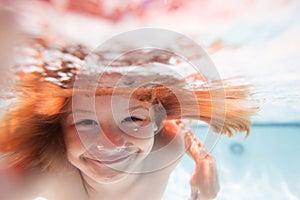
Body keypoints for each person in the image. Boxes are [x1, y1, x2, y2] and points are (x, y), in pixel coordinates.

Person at [0, 35, 256, 200]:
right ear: (60, 131)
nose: (110, 142)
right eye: (85, 122)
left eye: (133, 119)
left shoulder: (168, 144)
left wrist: (203, 160)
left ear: (156, 122)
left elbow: (179, 128)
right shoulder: (52, 169)